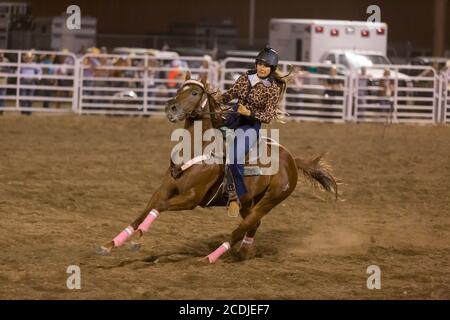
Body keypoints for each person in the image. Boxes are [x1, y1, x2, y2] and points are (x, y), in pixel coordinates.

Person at [214, 46, 292, 217]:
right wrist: (218, 98)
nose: (262, 68)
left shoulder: (272, 88)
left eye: (266, 66)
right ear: (256, 64)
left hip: (251, 125)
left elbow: (269, 115)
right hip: (233, 117)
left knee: (234, 158)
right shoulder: (245, 77)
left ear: (272, 69)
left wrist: (249, 113)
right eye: (260, 64)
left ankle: (238, 195)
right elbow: (232, 93)